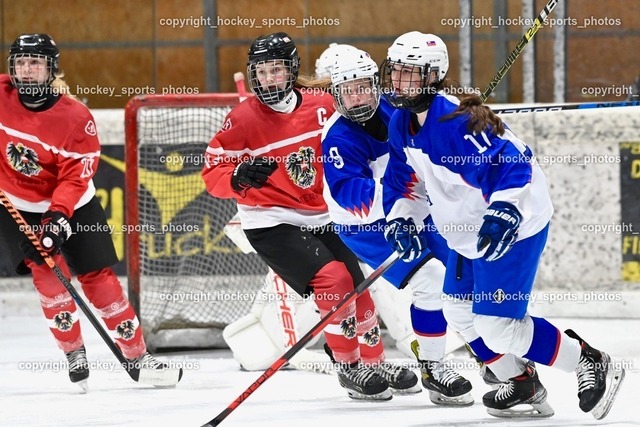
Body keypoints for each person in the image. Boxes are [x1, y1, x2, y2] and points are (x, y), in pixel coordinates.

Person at [379, 31, 625, 419]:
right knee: (458, 311)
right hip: (467, 232)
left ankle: (588, 360)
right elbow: (401, 182)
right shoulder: (400, 123)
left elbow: (514, 162)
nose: (398, 80)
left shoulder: (455, 123)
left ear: (433, 77)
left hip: (512, 227)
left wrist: (506, 209)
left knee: (497, 326)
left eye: (410, 73)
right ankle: (521, 382)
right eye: (395, 71)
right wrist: (400, 220)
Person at [202, 32, 417, 401]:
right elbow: (212, 173)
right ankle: (349, 367)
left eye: (276, 70)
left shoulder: (322, 104)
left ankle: (375, 362)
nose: (268, 79)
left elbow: (361, 123)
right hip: (272, 221)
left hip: (322, 214)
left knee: (359, 287)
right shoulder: (241, 120)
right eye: (261, 72)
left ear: (292, 70)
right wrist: (236, 176)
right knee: (334, 280)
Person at [0, 34, 181, 391]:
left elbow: (74, 177)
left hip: (74, 205)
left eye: (35, 63)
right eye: (20, 62)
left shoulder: (74, 117)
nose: (26, 70)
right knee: (49, 277)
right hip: (18, 205)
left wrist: (58, 217)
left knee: (98, 279)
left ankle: (137, 356)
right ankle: (73, 352)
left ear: (51, 68)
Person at [321, 47, 474, 406]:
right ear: (336, 95)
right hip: (369, 227)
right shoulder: (337, 138)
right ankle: (434, 368)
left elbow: (425, 137)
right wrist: (407, 195)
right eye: (348, 90)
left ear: (376, 85)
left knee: (464, 272)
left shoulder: (396, 110)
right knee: (432, 281)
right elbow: (353, 197)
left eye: (363, 87)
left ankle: (487, 353)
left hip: (415, 209)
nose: (357, 97)